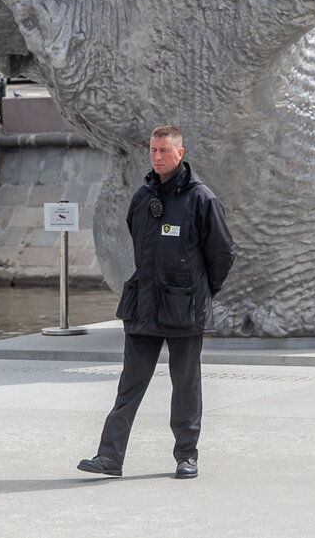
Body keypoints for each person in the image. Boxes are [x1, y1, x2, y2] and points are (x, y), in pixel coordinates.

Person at [79, 125, 234, 480]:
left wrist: (200, 291)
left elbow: (222, 254)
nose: (158, 157)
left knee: (185, 386)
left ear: (180, 153)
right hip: (143, 306)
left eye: (164, 151)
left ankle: (186, 456)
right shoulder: (142, 196)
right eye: (153, 150)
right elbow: (136, 235)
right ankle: (109, 457)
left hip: (184, 309)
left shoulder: (201, 199)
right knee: (128, 386)